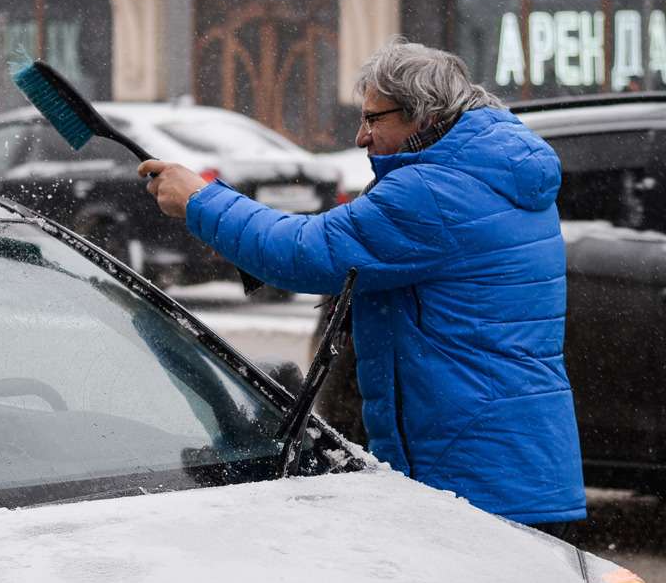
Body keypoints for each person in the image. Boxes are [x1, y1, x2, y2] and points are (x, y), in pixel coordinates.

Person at [138, 37, 585, 533]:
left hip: (473, 471)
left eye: (374, 119)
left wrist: (201, 200)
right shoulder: (487, 169)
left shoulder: (435, 191)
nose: (360, 137)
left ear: (423, 115)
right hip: (509, 460)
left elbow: (308, 251)